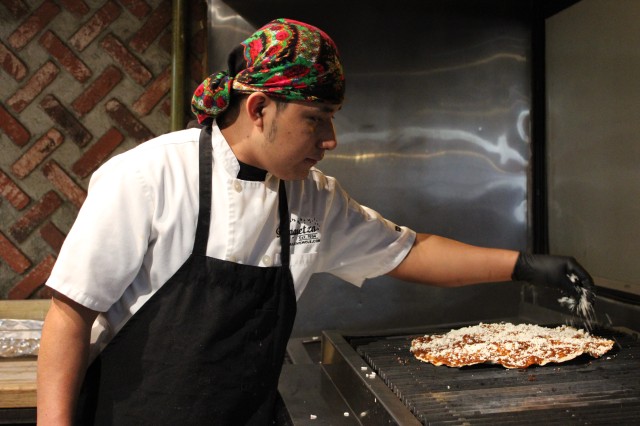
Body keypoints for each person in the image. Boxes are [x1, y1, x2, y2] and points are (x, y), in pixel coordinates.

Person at [36, 18, 595, 425]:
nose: (330, 141)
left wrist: (526, 266)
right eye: (317, 121)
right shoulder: (147, 177)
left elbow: (410, 251)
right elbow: (70, 315)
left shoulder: (312, 196)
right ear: (258, 109)